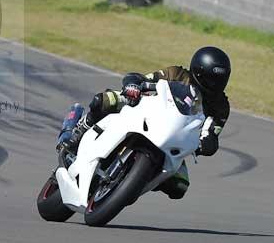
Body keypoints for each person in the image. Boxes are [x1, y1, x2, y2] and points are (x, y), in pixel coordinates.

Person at [56, 46, 231, 199]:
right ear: (197, 72)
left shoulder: (221, 106)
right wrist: (133, 86)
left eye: (220, 81)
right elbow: (141, 78)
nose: (215, 85)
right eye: (211, 79)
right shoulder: (176, 74)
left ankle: (135, 181)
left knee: (180, 186)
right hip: (144, 111)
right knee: (105, 100)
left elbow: (212, 131)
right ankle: (78, 131)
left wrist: (207, 143)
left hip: (173, 141)